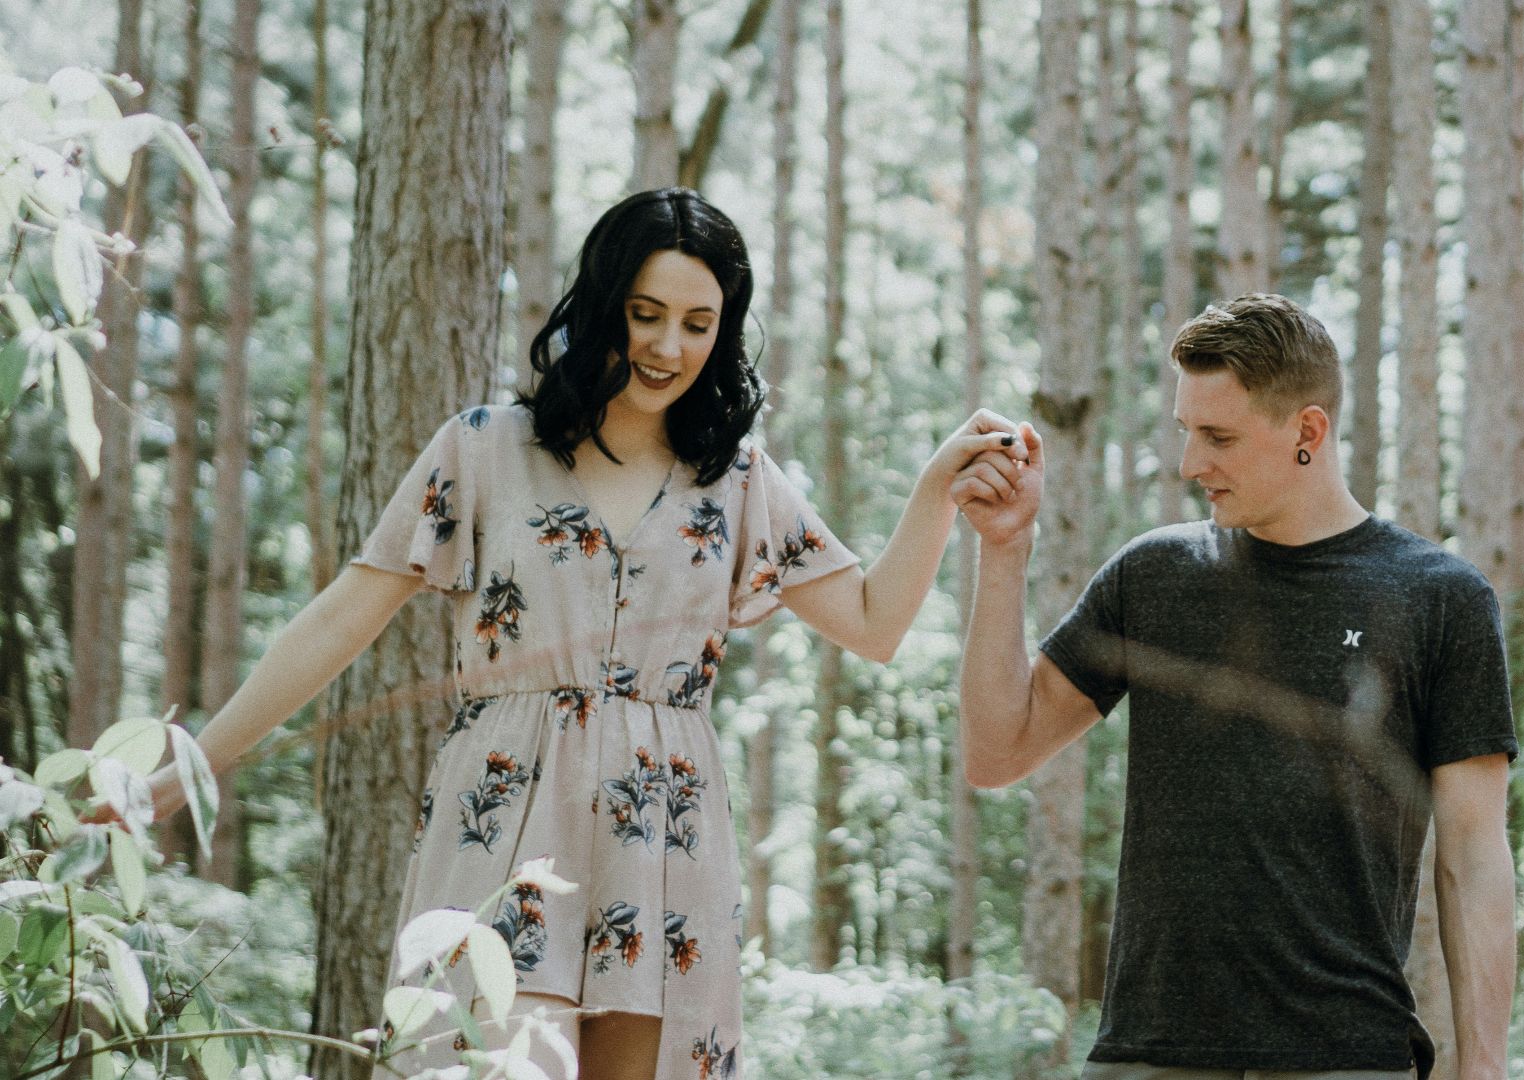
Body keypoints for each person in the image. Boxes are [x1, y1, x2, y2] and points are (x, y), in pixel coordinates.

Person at [139, 188, 1028, 1080]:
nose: (668, 347)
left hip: (664, 842)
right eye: (646, 314)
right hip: (503, 820)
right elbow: (342, 616)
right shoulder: (484, 450)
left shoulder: (737, 481)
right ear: (603, 304)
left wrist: (935, 491)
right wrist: (193, 767)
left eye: (698, 324)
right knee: (482, 1063)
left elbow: (873, 623)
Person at [952, 294, 1517, 1080]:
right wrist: (1005, 549)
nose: (1190, 464)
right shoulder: (1153, 576)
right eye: (1186, 431)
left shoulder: (1439, 598)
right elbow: (996, 752)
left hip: (1342, 1055)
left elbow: (1474, 853)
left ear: (1307, 433)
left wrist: (1483, 1064)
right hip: (1150, 1052)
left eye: (1218, 437)